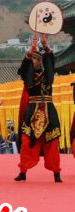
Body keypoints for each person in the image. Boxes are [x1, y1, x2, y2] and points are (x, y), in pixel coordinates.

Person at [15, 36, 62, 182]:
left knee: (52, 143)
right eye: (33, 59)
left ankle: (56, 173)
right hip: (32, 111)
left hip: (48, 111)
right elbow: (23, 68)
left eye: (37, 59)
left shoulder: (48, 75)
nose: (35, 61)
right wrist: (30, 51)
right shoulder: (27, 76)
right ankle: (23, 171)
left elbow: (51, 62)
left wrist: (45, 45)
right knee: (26, 141)